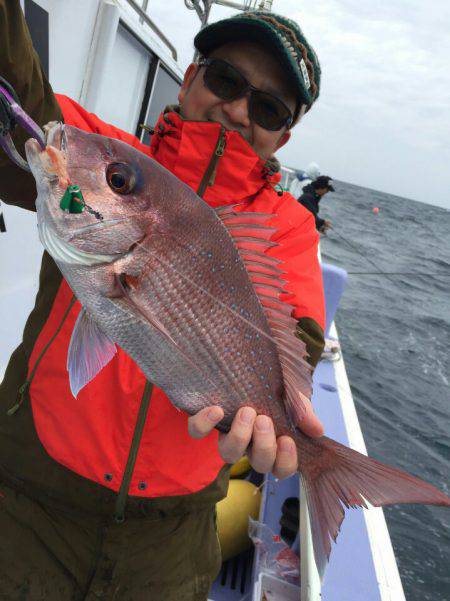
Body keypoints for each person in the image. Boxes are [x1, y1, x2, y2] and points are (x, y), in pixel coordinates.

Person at [0, 3, 326, 599]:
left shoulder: (289, 227)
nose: (236, 109)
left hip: (171, 539)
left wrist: (285, 422)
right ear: (192, 75)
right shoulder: (109, 158)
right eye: (226, 80)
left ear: (284, 133)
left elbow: (297, 334)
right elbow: (22, 99)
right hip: (26, 496)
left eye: (268, 107)